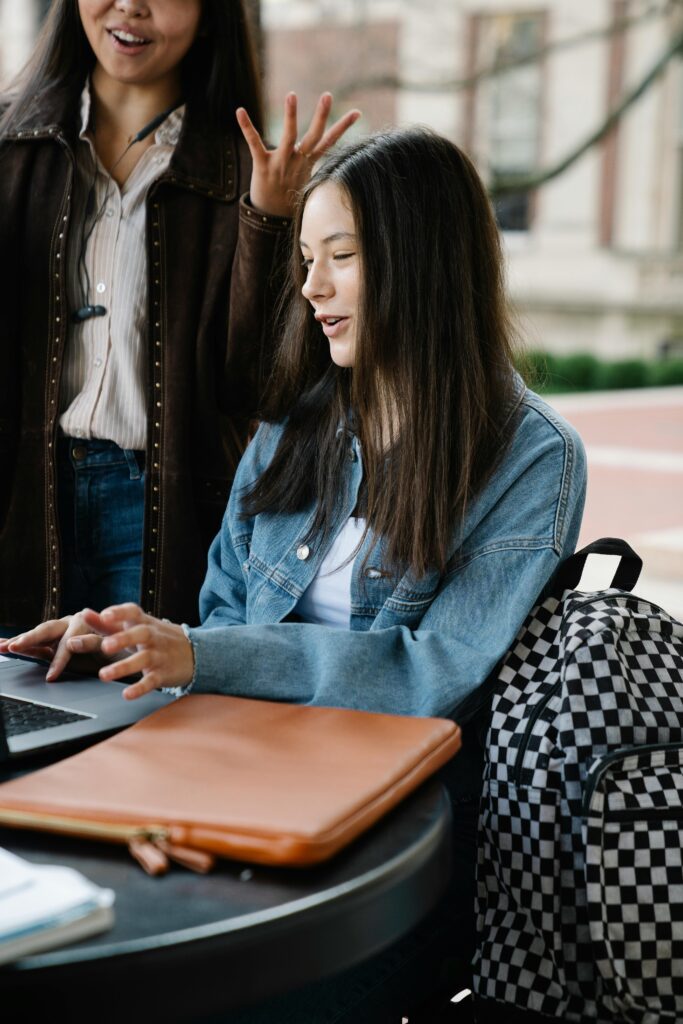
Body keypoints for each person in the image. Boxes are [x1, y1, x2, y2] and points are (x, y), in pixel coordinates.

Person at [2, 126, 587, 1021]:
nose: (310, 288)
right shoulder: (297, 422)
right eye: (305, 260)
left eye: (340, 257)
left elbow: (435, 674)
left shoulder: (528, 455)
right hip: (244, 781)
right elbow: (225, 614)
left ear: (422, 261)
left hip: (402, 843)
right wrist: (138, 649)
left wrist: (202, 656)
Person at [0, 0, 359, 631]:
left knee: (150, 718)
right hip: (24, 497)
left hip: (164, 508)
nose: (129, 7)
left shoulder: (250, 172)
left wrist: (267, 220)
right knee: (23, 714)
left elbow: (255, 389)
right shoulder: (11, 148)